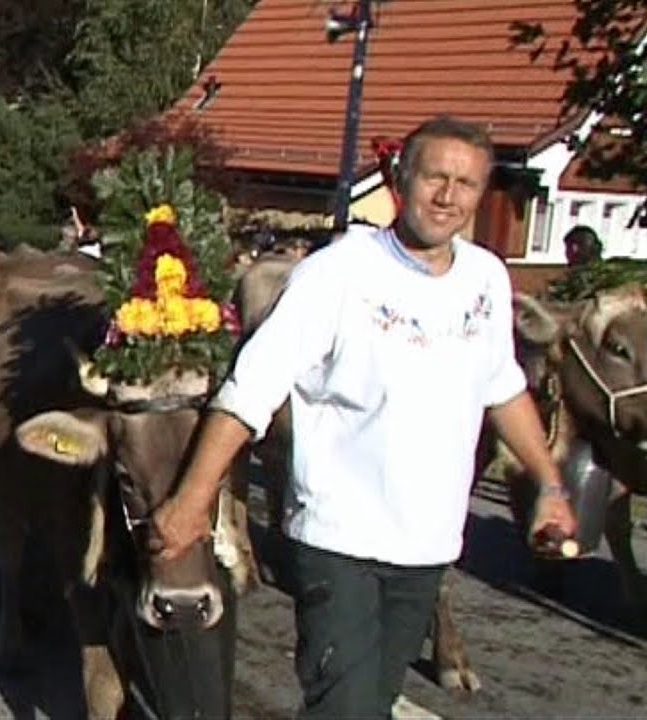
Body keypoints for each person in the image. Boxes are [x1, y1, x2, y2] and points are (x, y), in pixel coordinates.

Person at [150, 116, 577, 719]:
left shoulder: (485, 278)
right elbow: (250, 391)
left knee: (370, 705)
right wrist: (190, 504)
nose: (447, 196)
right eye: (434, 177)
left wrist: (550, 486)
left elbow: (503, 390)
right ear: (402, 180)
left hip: (428, 547)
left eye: (465, 184)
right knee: (344, 709)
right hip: (341, 540)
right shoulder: (339, 273)